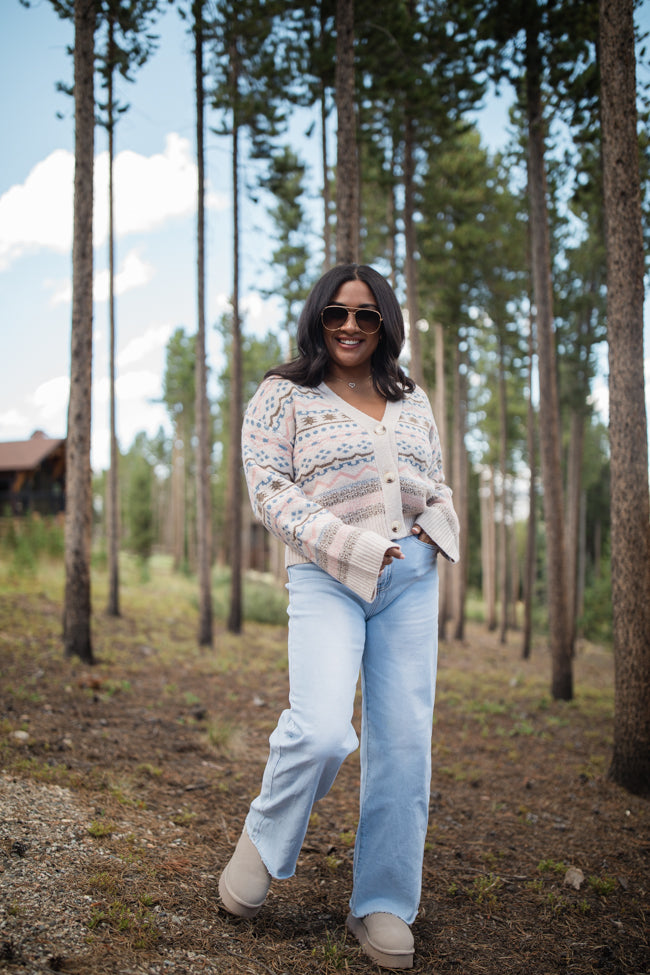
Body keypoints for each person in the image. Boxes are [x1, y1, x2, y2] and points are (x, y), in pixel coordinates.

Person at [219, 263, 459, 970]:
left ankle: (383, 901)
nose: (350, 326)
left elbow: (434, 482)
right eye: (336, 313)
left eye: (366, 315)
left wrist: (436, 528)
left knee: (405, 744)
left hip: (410, 582)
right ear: (317, 318)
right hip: (325, 575)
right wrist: (354, 543)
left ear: (386, 323)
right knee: (323, 728)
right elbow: (269, 491)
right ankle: (263, 840)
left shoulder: (409, 396)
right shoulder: (282, 394)